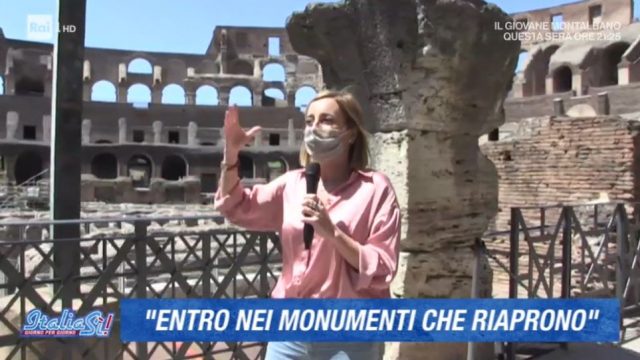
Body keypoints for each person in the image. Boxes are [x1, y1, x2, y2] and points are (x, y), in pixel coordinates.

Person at [214, 90, 401, 360]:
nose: (314, 127)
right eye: (309, 120)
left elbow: (383, 265)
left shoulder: (375, 189)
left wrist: (333, 233)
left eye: (326, 120)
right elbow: (235, 206)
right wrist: (231, 155)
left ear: (350, 133)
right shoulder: (292, 183)